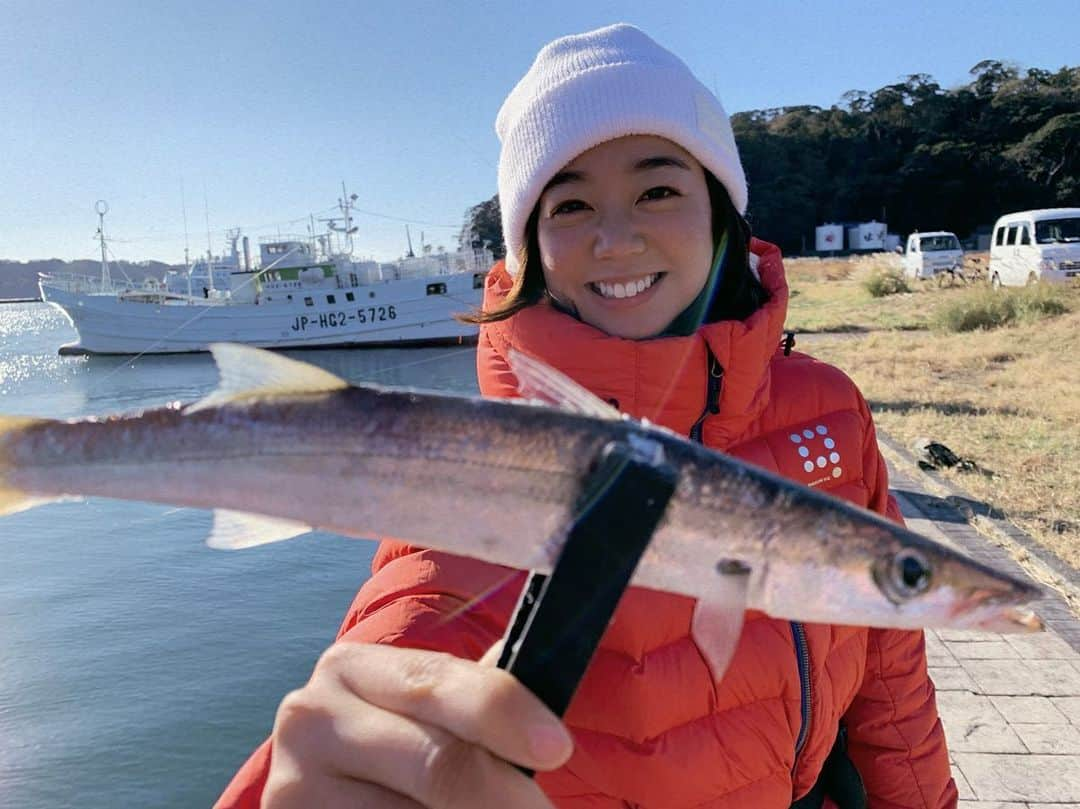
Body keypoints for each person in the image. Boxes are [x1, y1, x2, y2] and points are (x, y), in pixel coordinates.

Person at [216, 24, 955, 809]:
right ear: (529, 247)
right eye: (569, 203)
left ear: (720, 210)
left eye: (658, 188)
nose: (615, 236)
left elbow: (891, 670)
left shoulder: (829, 409)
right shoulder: (480, 485)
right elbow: (404, 637)